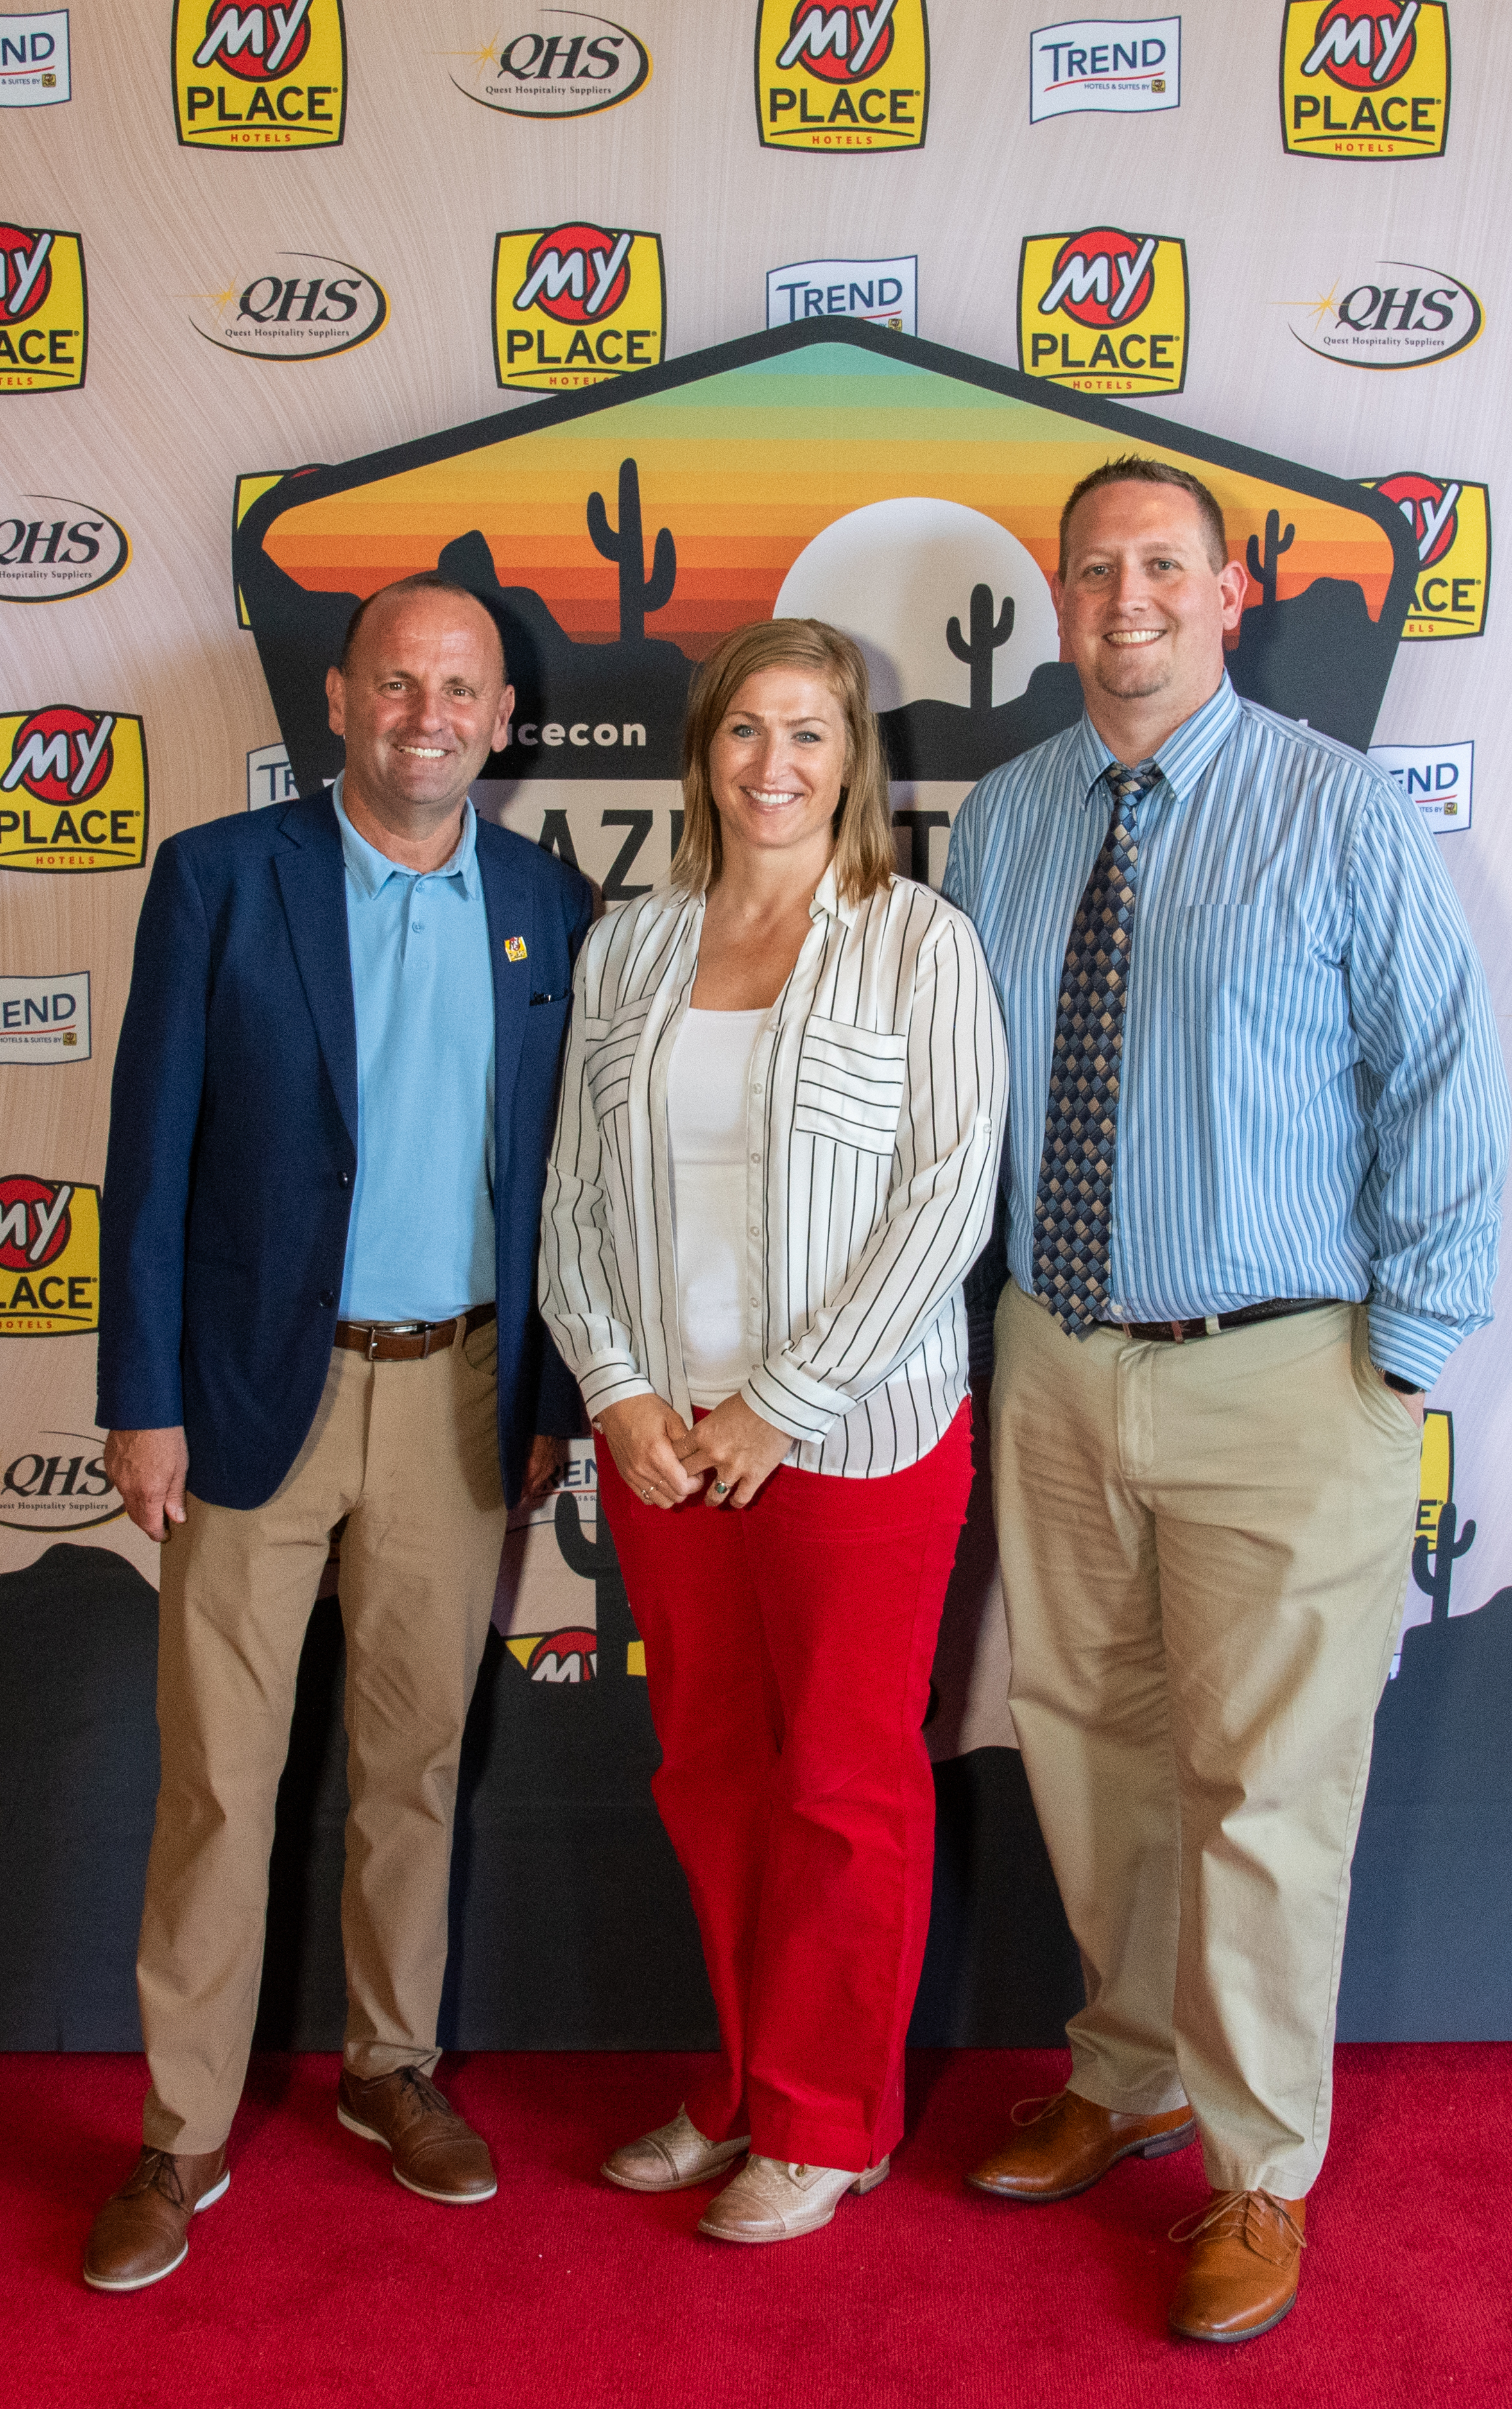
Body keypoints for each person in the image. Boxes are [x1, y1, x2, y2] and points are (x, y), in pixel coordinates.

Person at [940, 460, 1509, 2343]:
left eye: (1163, 566)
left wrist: (1399, 1359)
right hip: (1054, 1357)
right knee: (1085, 1743)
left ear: (1228, 592)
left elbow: (1443, 1080)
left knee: (1266, 1786)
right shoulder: (1005, 819)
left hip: (1282, 1369)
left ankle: (1258, 2171)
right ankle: (1126, 2073)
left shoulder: (1338, 810)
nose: (1129, 597)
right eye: (1096, 569)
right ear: (1056, 598)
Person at [82, 573, 596, 2291]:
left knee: (413, 1763)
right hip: (250, 1393)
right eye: (395, 682)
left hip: (460, 1394)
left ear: (500, 719)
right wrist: (141, 1394)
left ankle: (390, 2065)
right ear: (338, 698)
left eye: (458, 689)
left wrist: (545, 1402)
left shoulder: (546, 904)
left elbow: (559, 1185)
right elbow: (147, 1158)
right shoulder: (220, 879)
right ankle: (181, 2131)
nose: (424, 715)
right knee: (220, 1781)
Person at [539, 618, 1004, 2245]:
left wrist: (781, 1401)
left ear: (850, 758)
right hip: (664, 1442)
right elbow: (572, 1199)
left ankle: (829, 2121)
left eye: (808, 732)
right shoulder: (630, 948)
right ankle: (743, 2083)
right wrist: (616, 1387)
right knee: (712, 1773)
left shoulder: (917, 942)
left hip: (857, 1437)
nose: (773, 763)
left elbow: (947, 1196)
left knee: (844, 1785)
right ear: (704, 751)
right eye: (746, 728)